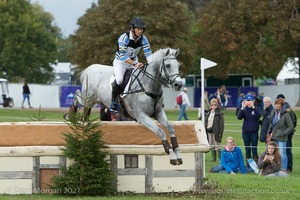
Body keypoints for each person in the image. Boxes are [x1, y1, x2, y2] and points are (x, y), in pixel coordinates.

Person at [110, 17, 152, 113]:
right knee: (120, 80)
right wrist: (135, 63)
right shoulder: (123, 38)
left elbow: (148, 54)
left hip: (134, 62)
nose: (140, 31)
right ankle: (114, 102)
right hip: (120, 62)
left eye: (141, 29)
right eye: (138, 29)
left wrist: (151, 63)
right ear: (132, 29)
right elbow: (123, 56)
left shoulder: (144, 39)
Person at [267, 98, 294, 173]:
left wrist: (284, 133)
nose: (277, 105)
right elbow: (271, 124)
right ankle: (276, 168)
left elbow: (291, 127)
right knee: (275, 153)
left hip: (282, 138)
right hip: (274, 137)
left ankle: (284, 169)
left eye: (278, 104)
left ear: (282, 105)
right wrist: (270, 132)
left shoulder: (286, 114)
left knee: (282, 153)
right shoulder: (273, 112)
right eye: (276, 104)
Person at [237, 93, 261, 164]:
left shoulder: (257, 108)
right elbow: (239, 117)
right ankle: (248, 163)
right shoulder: (244, 109)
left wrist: (253, 107)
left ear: (253, 101)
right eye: (248, 100)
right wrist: (242, 107)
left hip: (254, 132)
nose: (249, 101)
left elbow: (258, 115)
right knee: (247, 148)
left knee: (254, 148)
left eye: (250, 100)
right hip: (246, 132)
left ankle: (255, 162)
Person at [276, 94, 297, 173]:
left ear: (284, 100)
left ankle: (289, 167)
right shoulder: (280, 110)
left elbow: (292, 124)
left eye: (281, 99)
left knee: (287, 151)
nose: (279, 101)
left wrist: (285, 133)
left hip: (287, 135)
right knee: (282, 151)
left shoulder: (288, 110)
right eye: (278, 100)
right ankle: (283, 166)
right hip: (280, 135)